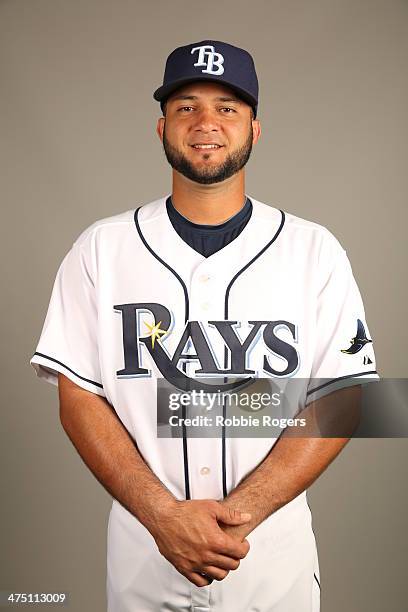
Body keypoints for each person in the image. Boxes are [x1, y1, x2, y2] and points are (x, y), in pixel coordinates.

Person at [30, 40, 379, 611]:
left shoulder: (314, 250)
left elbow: (344, 400)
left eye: (228, 107)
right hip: (146, 556)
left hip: (271, 563)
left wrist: (239, 516)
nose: (206, 122)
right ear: (161, 127)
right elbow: (78, 399)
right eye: (187, 106)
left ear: (255, 128)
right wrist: (164, 518)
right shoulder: (101, 248)